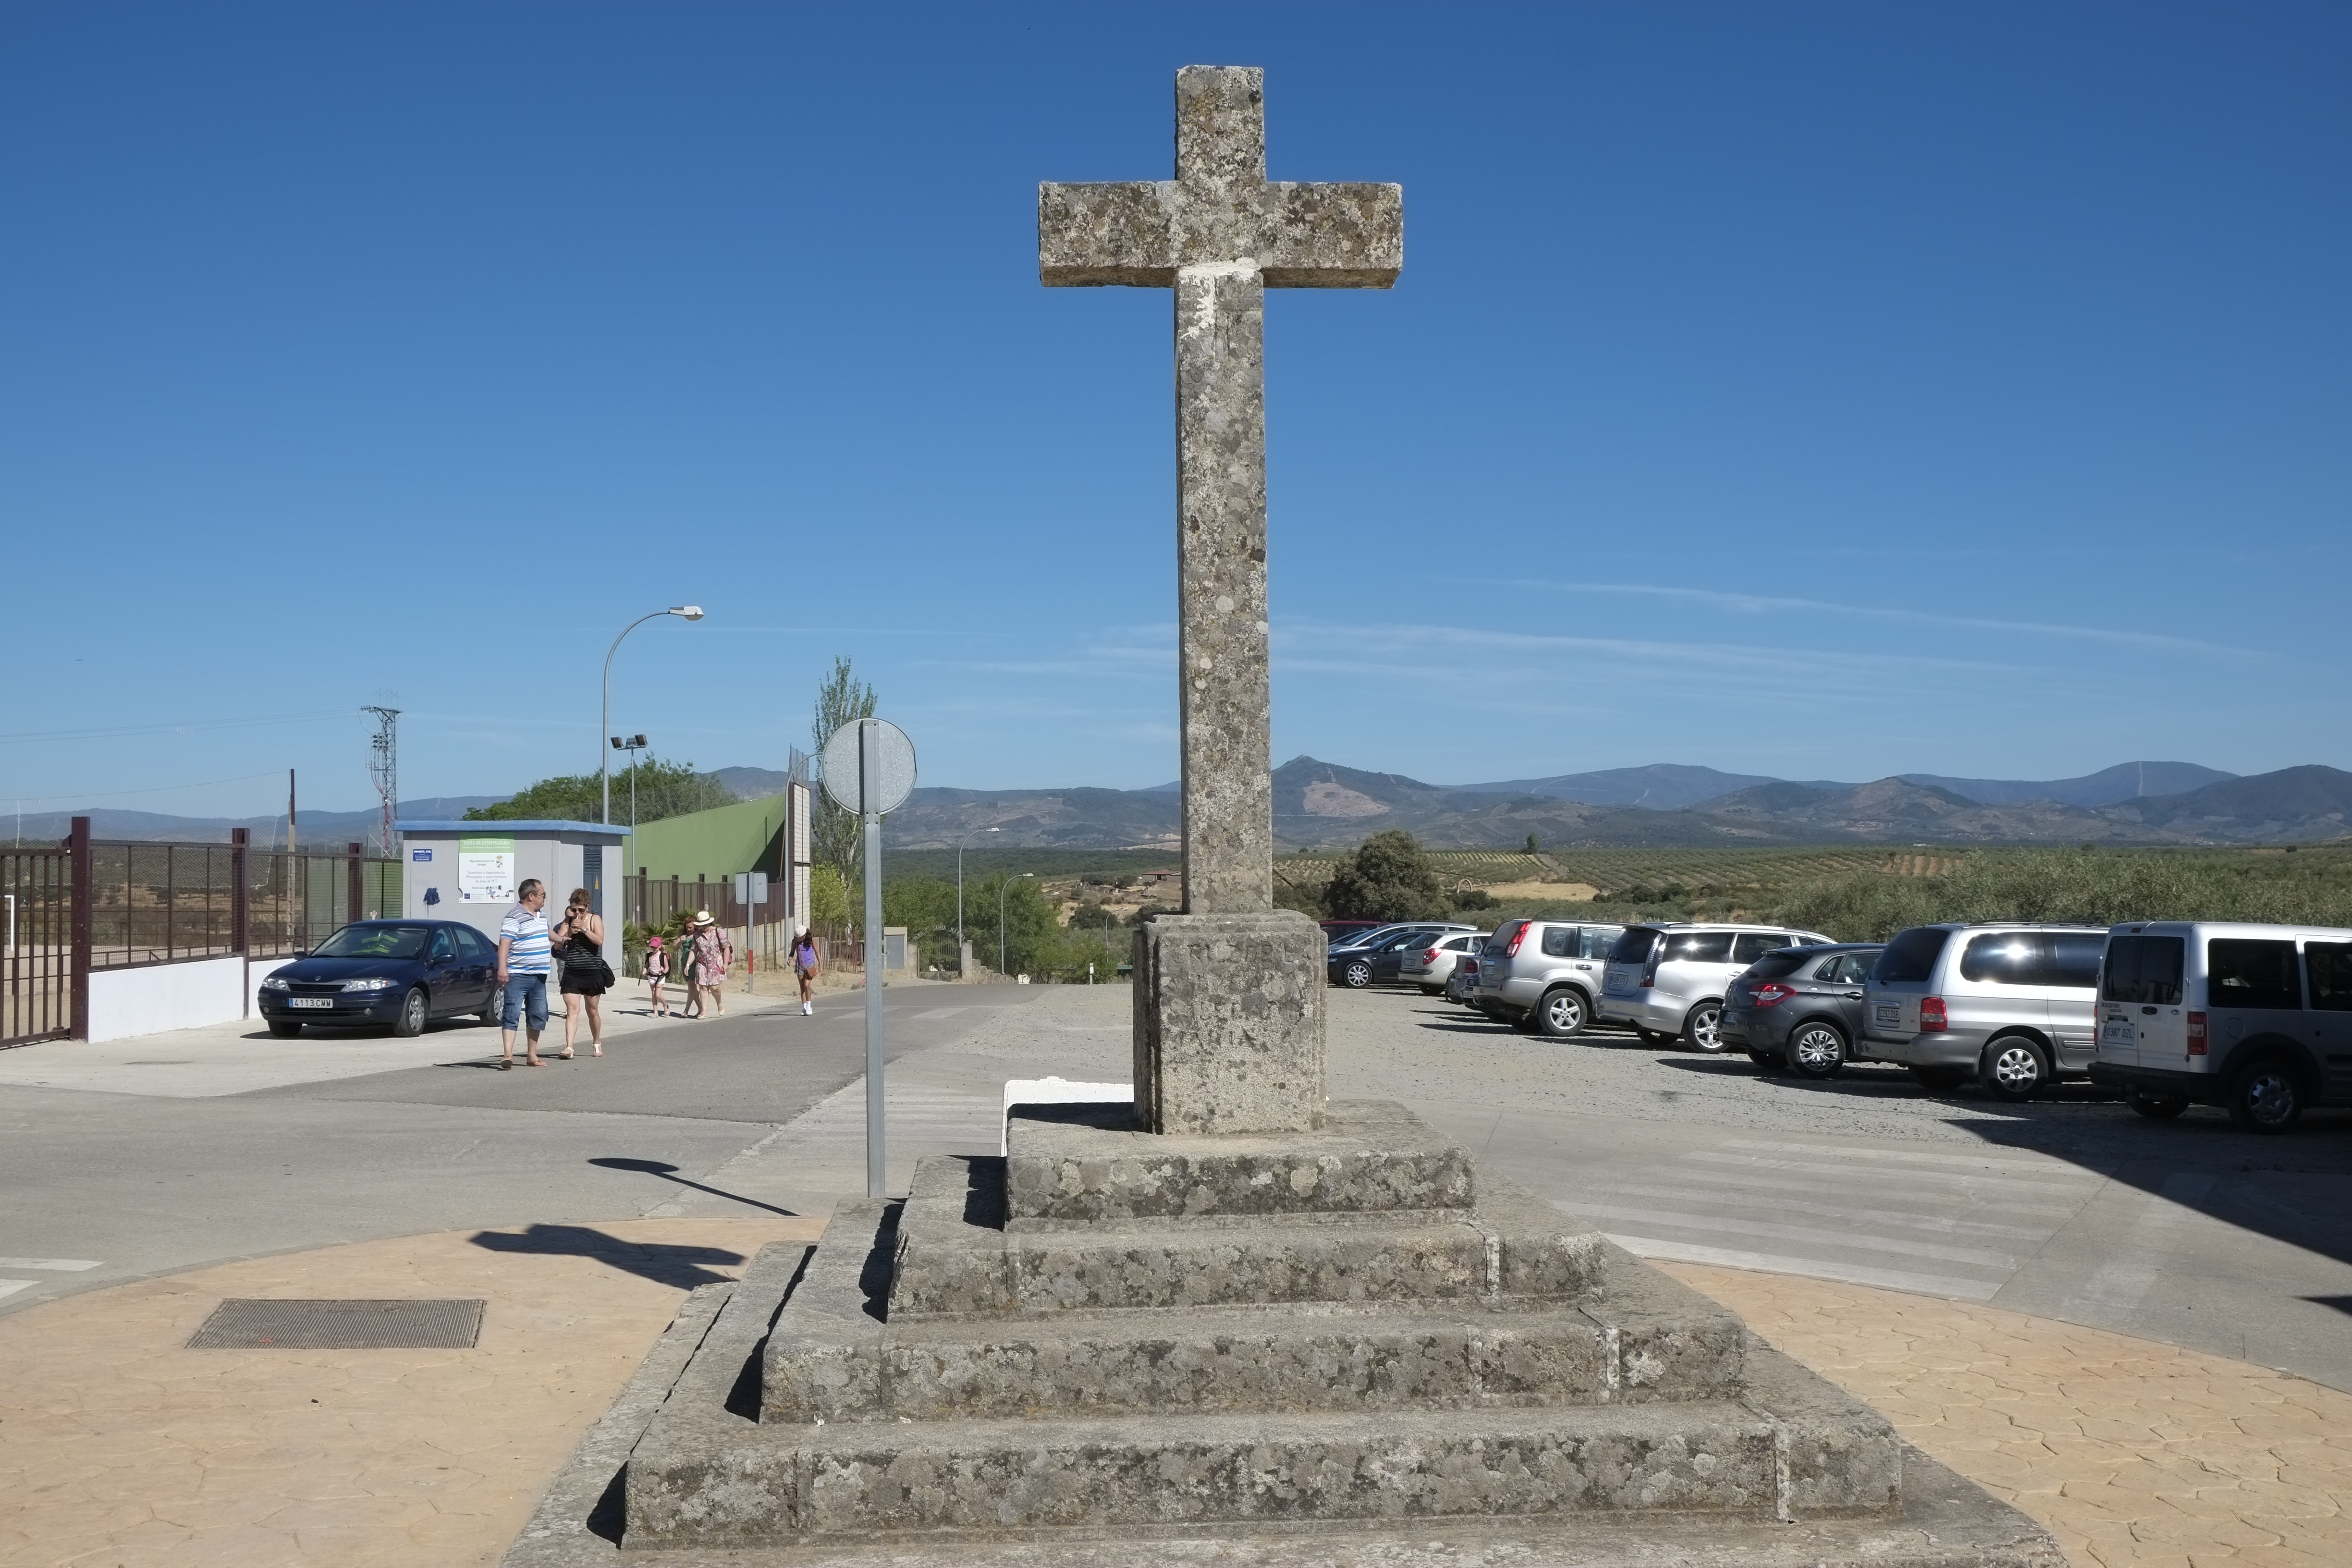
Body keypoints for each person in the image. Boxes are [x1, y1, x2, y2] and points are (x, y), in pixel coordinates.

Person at [495, 879, 553, 1068]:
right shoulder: (514, 917)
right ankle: (508, 1055)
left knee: (538, 1014)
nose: (545, 898)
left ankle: (532, 1056)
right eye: (543, 894)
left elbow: (547, 933)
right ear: (531, 896)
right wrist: (502, 968)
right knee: (511, 1013)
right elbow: (505, 943)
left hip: (539, 976)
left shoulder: (541, 916)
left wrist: (562, 939)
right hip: (518, 974)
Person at [552, 888, 606, 1058]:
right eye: (574, 910)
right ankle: (569, 1048)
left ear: (587, 908)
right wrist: (568, 933)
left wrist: (584, 929)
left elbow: (599, 941)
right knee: (572, 1010)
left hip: (592, 971)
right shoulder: (567, 922)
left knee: (592, 1012)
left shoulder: (594, 920)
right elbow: (557, 946)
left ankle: (596, 1042)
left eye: (581, 910)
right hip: (572, 971)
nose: (577, 913)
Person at [684, 910, 733, 1019]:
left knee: (715, 988)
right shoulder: (697, 935)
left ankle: (719, 1003)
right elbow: (693, 951)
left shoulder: (718, 932)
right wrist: (688, 964)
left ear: (709, 923)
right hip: (702, 963)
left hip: (715, 963)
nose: (703, 927)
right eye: (701, 925)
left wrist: (725, 964)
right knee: (703, 987)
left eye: (705, 925)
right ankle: (704, 1012)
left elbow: (726, 948)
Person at [643, 934, 671, 1017]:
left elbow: (667, 967)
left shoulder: (663, 956)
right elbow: (647, 966)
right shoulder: (649, 955)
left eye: (655, 947)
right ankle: (656, 1012)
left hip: (660, 977)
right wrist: (644, 971)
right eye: (652, 947)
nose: (653, 948)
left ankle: (665, 1006)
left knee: (658, 995)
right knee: (653, 995)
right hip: (652, 977)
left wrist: (664, 972)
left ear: (660, 946)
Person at [793, 927, 819, 1016]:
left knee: (807, 985)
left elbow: (817, 953)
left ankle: (809, 1006)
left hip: (810, 965)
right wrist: (789, 958)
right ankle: (804, 1008)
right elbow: (792, 952)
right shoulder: (795, 942)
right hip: (800, 966)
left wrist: (821, 966)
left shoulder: (812, 941)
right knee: (802, 987)